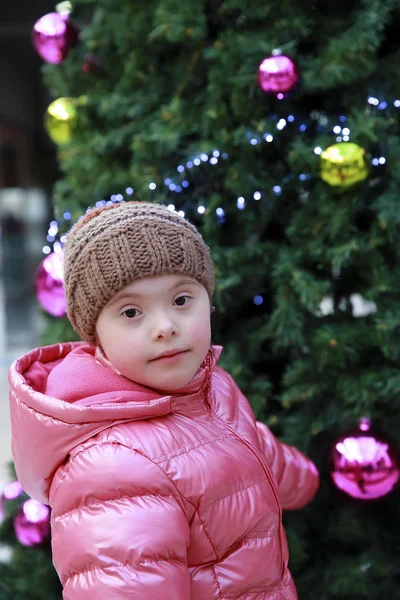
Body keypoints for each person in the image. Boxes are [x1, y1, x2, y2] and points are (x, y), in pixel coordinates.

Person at [9, 201, 319, 600]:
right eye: (132, 311)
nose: (166, 327)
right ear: (95, 335)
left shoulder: (209, 386)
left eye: (181, 300)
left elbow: (246, 446)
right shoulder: (112, 467)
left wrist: (304, 478)